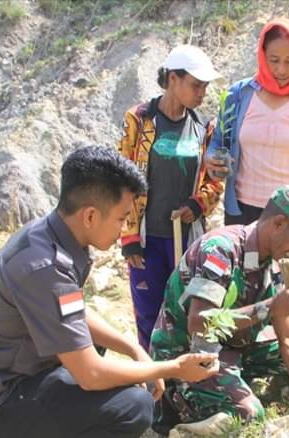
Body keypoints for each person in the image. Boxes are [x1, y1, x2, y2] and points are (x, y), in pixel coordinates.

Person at [0, 146, 219, 438]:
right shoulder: (43, 266)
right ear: (91, 216)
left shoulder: (52, 235)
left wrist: (133, 350)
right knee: (132, 406)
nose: (124, 228)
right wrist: (170, 368)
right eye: (121, 218)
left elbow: (71, 307)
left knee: (95, 347)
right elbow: (91, 375)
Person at [149, 185, 289, 434]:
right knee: (249, 414)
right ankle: (177, 400)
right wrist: (271, 307)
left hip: (233, 348)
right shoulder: (221, 250)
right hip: (190, 353)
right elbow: (200, 324)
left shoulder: (273, 264)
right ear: (278, 223)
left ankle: (232, 382)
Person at [204, 17, 289, 282]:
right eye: (274, 60)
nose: (281, 69)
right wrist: (211, 158)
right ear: (262, 55)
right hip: (244, 208)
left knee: (286, 288)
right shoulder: (238, 96)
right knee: (243, 283)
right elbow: (219, 140)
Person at [118, 44, 224, 351]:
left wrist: (197, 204)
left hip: (185, 239)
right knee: (149, 313)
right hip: (148, 238)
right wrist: (129, 236)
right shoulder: (139, 121)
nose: (202, 92)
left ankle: (180, 381)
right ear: (173, 79)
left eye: (205, 86)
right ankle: (153, 381)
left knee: (183, 309)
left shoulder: (204, 129)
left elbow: (215, 181)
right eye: (195, 85)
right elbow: (120, 177)